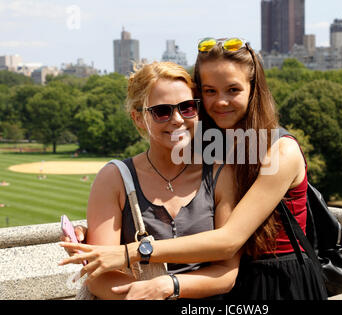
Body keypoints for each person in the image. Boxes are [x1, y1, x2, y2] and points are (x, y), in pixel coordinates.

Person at [60, 38, 327, 300]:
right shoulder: (216, 148)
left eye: (233, 89)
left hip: (281, 280)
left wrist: (131, 252)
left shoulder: (279, 151)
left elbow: (229, 240)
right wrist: (95, 230)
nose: (220, 101)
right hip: (233, 285)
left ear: (253, 89)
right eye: (210, 91)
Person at [61, 61, 240, 300]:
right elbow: (100, 276)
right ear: (138, 118)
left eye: (187, 107)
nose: (177, 119)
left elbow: (227, 273)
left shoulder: (220, 174)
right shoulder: (114, 178)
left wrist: (170, 286)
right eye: (162, 111)